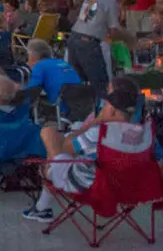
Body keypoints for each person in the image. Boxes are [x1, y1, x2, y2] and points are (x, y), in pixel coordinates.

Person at [22, 78, 145, 223]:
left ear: (111, 110)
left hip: (89, 185)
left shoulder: (99, 133)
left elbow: (65, 147)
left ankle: (42, 207)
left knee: (49, 135)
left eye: (106, 105)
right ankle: (41, 208)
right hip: (128, 186)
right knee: (58, 141)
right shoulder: (143, 133)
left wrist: (95, 121)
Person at [24, 38, 81, 105]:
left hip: (61, 104)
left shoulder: (39, 66)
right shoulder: (62, 62)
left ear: (32, 55)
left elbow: (30, 88)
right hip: (80, 101)